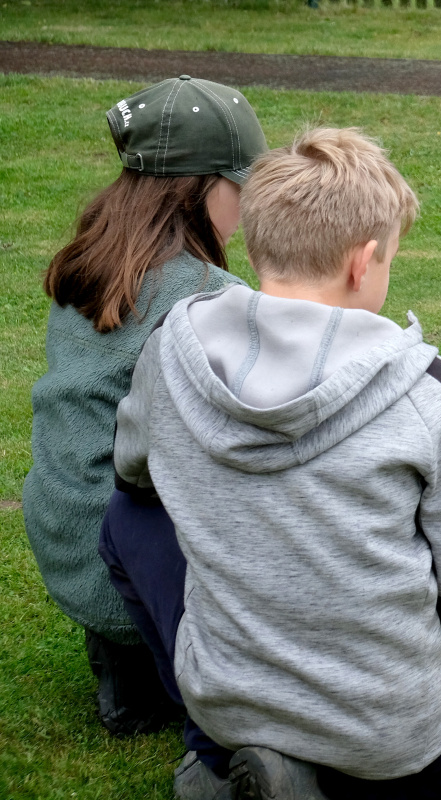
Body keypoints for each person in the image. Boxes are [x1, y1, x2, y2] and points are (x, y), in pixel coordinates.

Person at [99, 127, 441, 800]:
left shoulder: (172, 346)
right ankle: (331, 781)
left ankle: (232, 753)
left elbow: (132, 476)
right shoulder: (425, 387)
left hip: (228, 699)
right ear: (362, 262)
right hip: (384, 718)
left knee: (125, 518)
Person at [22, 75, 267, 737]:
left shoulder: (89, 265)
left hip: (64, 531)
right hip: (129, 559)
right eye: (240, 186)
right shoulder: (208, 296)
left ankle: (131, 660)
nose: (248, 208)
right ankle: (178, 656)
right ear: (200, 188)